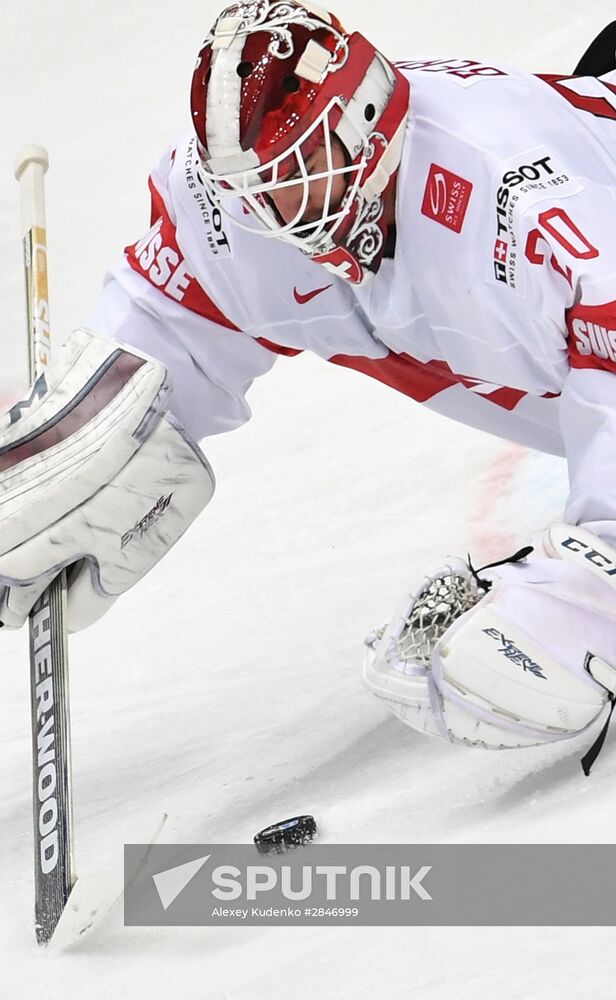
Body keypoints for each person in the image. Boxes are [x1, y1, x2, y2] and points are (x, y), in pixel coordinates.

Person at [3, 1, 616, 764]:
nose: (265, 213)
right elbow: (162, 343)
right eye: (249, 186)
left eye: (290, 176)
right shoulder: (244, 208)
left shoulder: (519, 209)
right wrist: (75, 434)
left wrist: (595, 585)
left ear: (363, 124)